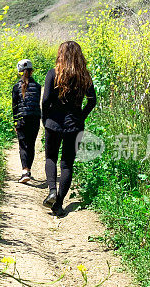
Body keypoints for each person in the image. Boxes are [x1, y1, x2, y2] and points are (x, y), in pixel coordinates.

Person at [41, 41, 97, 217]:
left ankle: (51, 190)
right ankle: (58, 204)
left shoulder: (53, 74)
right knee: (67, 164)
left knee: (50, 157)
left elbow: (46, 100)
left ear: (61, 55)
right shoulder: (84, 76)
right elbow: (92, 100)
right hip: (74, 126)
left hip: (53, 124)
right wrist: (81, 116)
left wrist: (45, 118)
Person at [11, 59, 42, 184]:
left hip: (21, 118)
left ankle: (25, 171)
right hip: (34, 118)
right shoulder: (38, 87)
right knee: (31, 144)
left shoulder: (16, 87)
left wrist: (15, 122)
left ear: (19, 72)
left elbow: (14, 106)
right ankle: (28, 170)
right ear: (32, 71)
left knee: (23, 145)